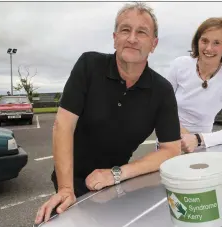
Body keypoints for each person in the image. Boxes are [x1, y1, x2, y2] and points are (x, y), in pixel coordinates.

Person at [34, 2, 181, 225]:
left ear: (154, 44)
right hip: (70, 177)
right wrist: (65, 188)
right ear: (115, 38)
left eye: (142, 32)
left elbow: (171, 149)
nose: (132, 38)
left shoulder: (162, 90)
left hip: (115, 181)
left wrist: (117, 174)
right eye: (125, 30)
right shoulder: (88, 65)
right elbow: (63, 125)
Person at [166, 17, 222, 153]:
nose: (209, 48)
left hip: (200, 148)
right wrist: (180, 132)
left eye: (217, 43)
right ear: (197, 41)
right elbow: (161, 104)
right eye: (204, 41)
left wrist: (197, 139)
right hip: (168, 141)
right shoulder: (179, 65)